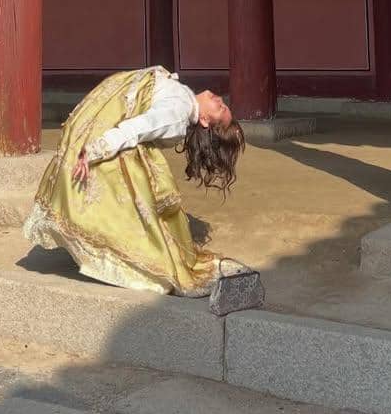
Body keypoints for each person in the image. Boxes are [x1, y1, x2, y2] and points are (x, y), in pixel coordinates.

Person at [23, 66, 247, 296]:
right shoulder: (182, 100)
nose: (219, 100)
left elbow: (137, 128)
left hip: (106, 137)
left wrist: (96, 149)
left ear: (205, 121)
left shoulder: (178, 112)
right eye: (223, 103)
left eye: (220, 108)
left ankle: (124, 256)